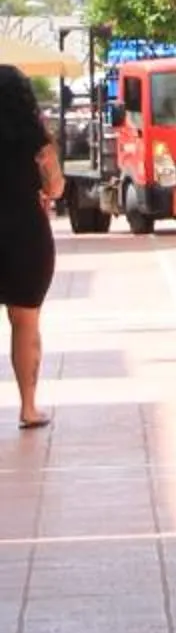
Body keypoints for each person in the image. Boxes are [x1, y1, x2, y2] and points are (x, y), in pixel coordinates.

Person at [0, 64, 61, 430]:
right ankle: (28, 407)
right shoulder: (37, 141)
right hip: (25, 231)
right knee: (25, 321)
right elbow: (55, 188)